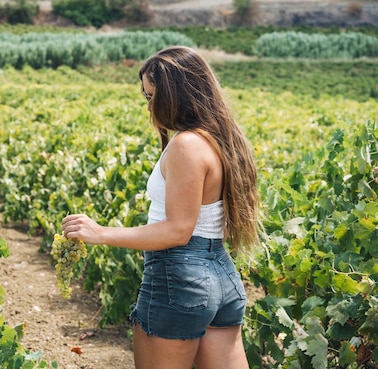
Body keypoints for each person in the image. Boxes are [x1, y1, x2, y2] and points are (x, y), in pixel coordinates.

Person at [61, 46, 259, 369]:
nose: (149, 107)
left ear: (176, 95)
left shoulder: (187, 145)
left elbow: (179, 230)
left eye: (152, 96)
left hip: (179, 280)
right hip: (221, 277)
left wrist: (101, 233)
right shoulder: (219, 139)